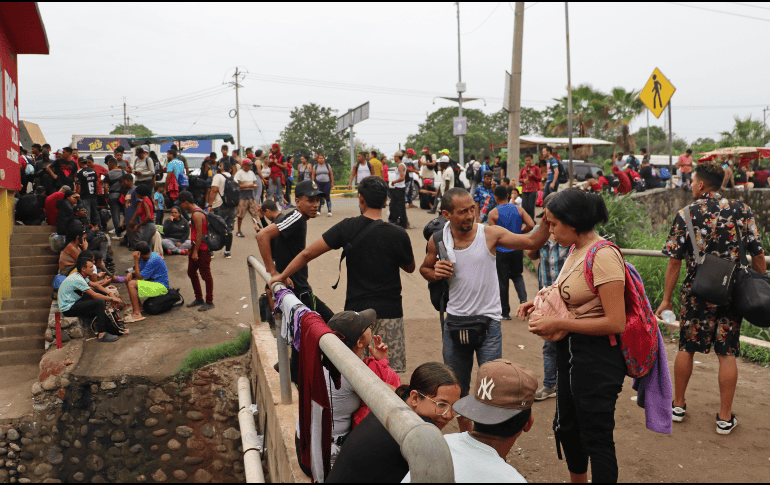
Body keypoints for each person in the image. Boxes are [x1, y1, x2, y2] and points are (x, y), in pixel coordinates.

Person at [517, 189, 627, 483]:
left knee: (597, 436)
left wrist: (558, 323)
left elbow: (616, 322)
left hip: (597, 358)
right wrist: (539, 303)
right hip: (571, 354)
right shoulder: (576, 250)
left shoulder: (603, 256)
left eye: (553, 224)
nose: (549, 230)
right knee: (568, 428)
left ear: (573, 222)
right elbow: (571, 296)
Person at [420, 188, 550, 432]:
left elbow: (532, 241)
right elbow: (424, 268)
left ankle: (486, 437)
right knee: (458, 388)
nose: (470, 215)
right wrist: (434, 272)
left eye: (472, 209)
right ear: (447, 214)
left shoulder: (489, 234)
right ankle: (467, 435)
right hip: (454, 323)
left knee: (491, 387)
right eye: (462, 212)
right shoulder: (438, 240)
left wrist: (549, 216)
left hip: (489, 324)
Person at [656, 161, 765, 435]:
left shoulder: (685, 214)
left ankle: (678, 406)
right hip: (731, 292)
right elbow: (759, 255)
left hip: (697, 292)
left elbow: (674, 262)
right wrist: (760, 286)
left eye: (692, 181)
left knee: (686, 347)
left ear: (701, 184)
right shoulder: (741, 210)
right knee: (727, 352)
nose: (691, 185)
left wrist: (667, 299)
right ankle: (725, 418)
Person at [272, 176, 415, 372]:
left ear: (360, 199)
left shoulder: (347, 227)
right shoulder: (398, 234)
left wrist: (280, 276)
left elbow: (306, 254)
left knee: (356, 373)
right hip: (391, 312)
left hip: (357, 317)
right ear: (385, 200)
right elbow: (410, 267)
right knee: (388, 371)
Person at [403, 359, 536, 483]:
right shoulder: (512, 480)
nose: (448, 415)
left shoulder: (439, 443)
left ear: (473, 410)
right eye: (441, 405)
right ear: (528, 422)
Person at [327, 362, 461, 483]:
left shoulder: (391, 405)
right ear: (414, 397)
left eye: (454, 407)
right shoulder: (421, 429)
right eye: (441, 405)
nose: (448, 415)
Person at [294, 310, 391, 476]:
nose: (370, 327)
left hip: (304, 447)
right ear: (360, 342)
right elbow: (394, 395)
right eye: (367, 326)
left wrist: (379, 361)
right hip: (325, 457)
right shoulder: (352, 372)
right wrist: (383, 363)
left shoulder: (323, 358)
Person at [524, 194, 570, 401]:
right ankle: (550, 384)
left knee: (570, 342)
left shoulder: (570, 233)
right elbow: (531, 253)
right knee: (549, 343)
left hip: (569, 299)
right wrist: (538, 239)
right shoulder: (540, 232)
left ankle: (567, 385)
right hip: (547, 298)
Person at [488, 185, 535, 321]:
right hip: (517, 249)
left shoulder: (493, 213)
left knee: (502, 281)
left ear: (496, 197)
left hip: (501, 251)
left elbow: (493, 235)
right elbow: (531, 225)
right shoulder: (519, 210)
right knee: (517, 276)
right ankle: (524, 303)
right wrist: (519, 234)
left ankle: (505, 312)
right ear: (508, 196)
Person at [58, 257, 123, 343]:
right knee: (99, 301)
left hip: (75, 302)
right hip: (68, 309)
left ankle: (105, 319)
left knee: (100, 295)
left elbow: (96, 286)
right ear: (83, 269)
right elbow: (95, 296)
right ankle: (102, 334)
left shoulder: (80, 275)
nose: (93, 269)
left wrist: (109, 293)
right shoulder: (78, 279)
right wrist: (112, 298)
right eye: (91, 267)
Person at [176, 191, 214, 311]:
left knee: (206, 275)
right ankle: (199, 298)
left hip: (201, 248)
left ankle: (209, 301)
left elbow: (199, 235)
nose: (180, 206)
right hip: (196, 247)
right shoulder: (195, 212)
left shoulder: (197, 214)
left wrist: (196, 251)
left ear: (186, 202)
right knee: (191, 272)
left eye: (181, 203)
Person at [124, 241, 170, 323]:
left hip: (161, 286)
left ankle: (137, 314)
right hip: (153, 282)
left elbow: (139, 277)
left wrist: (136, 260)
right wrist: (131, 273)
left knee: (132, 284)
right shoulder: (145, 258)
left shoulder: (153, 259)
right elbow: (140, 272)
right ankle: (139, 307)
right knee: (128, 280)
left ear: (139, 253)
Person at [209, 161, 236, 259]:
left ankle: (211, 251)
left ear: (221, 168)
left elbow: (214, 190)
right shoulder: (234, 178)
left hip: (219, 205)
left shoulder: (218, 176)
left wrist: (210, 204)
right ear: (230, 169)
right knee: (228, 229)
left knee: (214, 227)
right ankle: (227, 252)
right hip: (232, 207)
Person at [234, 159, 262, 238]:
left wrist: (254, 186)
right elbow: (237, 186)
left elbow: (253, 183)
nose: (250, 166)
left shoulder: (251, 173)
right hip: (242, 197)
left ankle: (256, 229)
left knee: (254, 213)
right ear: (244, 165)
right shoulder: (239, 173)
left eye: (251, 165)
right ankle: (239, 231)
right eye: (249, 165)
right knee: (240, 215)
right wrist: (248, 186)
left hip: (251, 196)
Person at [127, 184, 157, 248]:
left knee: (141, 246)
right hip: (150, 226)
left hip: (148, 226)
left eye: (137, 194)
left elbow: (148, 216)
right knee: (147, 247)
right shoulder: (148, 200)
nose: (137, 195)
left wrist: (138, 226)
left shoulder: (145, 201)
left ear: (141, 193)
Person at [104, 156, 125, 236]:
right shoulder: (123, 172)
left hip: (112, 196)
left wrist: (106, 197)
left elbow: (106, 187)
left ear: (110, 165)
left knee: (115, 215)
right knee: (126, 214)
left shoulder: (108, 174)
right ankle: (127, 231)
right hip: (122, 196)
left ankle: (118, 234)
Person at [518, 153, 541, 221]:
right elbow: (519, 179)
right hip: (525, 190)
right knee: (525, 206)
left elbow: (539, 178)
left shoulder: (536, 168)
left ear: (532, 160)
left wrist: (532, 175)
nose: (528, 162)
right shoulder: (523, 169)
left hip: (533, 190)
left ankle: (531, 220)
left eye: (529, 160)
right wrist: (523, 180)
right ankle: (525, 220)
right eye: (526, 160)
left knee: (531, 207)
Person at [389, 151, 409, 229]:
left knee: (400, 206)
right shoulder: (400, 165)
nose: (394, 158)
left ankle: (403, 222)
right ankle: (393, 220)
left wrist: (394, 182)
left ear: (397, 157)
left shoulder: (401, 166)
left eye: (394, 157)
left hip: (400, 188)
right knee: (393, 204)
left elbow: (402, 178)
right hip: (397, 188)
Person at [120, 174, 137, 248]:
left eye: (123, 182)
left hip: (134, 222)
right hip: (128, 221)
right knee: (131, 243)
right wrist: (124, 221)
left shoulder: (135, 190)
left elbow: (138, 206)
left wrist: (133, 219)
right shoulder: (128, 191)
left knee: (135, 243)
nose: (122, 183)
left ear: (128, 181)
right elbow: (128, 207)